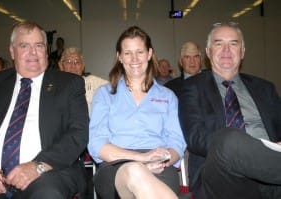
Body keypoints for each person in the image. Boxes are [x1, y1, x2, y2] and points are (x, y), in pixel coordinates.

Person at [0, 21, 89, 199]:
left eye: (38, 45)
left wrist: (38, 166)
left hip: (50, 173)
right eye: (24, 45)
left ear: (46, 50)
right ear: (12, 51)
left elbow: (79, 133)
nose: (33, 52)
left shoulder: (69, 84)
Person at [178, 22, 281, 199]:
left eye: (233, 44)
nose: (226, 50)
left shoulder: (265, 88)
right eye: (219, 44)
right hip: (222, 175)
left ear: (242, 52)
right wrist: (249, 148)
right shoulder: (192, 88)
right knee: (229, 139)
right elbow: (195, 138)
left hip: (272, 176)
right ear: (209, 52)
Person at [88, 26, 187, 199]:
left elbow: (177, 143)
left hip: (160, 167)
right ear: (119, 57)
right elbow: (97, 144)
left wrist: (162, 159)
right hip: (115, 166)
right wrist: (141, 160)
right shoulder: (105, 94)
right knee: (134, 170)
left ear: (149, 54)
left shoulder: (168, 97)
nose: (134, 58)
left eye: (139, 52)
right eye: (127, 53)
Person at [58, 47, 108, 115]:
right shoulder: (55, 89)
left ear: (83, 66)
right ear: (61, 66)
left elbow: (115, 88)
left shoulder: (93, 82)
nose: (73, 66)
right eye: (69, 62)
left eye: (77, 62)